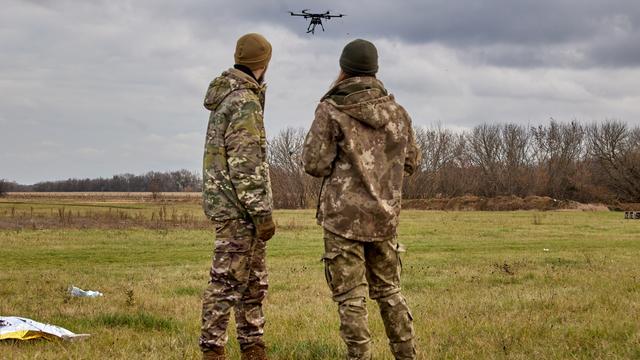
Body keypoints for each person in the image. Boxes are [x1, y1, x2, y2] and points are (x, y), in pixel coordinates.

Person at [302, 39, 421, 360]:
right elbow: (411, 162)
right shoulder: (398, 113)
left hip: (342, 220)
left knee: (351, 298)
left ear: (344, 68)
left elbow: (313, 163)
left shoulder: (331, 109)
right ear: (374, 69)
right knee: (390, 292)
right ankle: (407, 355)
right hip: (384, 219)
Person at [200, 33, 276, 360]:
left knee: (253, 285)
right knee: (227, 284)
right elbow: (247, 165)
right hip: (239, 211)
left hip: (233, 207)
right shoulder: (244, 101)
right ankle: (213, 350)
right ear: (263, 64)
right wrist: (262, 215)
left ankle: (253, 347)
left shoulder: (228, 98)